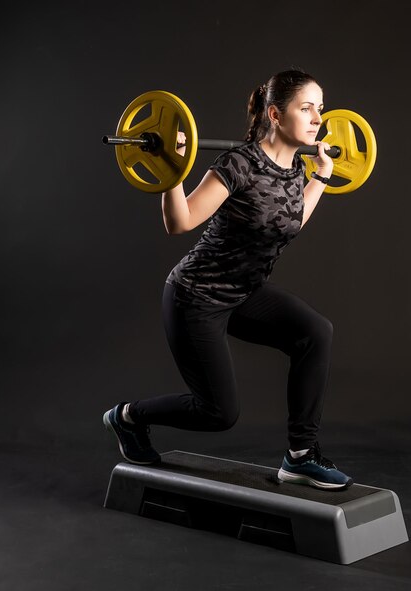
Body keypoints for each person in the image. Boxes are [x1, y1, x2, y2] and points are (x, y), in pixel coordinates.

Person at [104, 69, 353, 490]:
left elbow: (289, 222)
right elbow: (179, 223)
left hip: (243, 293)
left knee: (316, 333)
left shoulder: (296, 169)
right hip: (195, 296)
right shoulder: (237, 164)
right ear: (275, 114)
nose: (317, 119)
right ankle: (127, 417)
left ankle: (300, 456)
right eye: (306, 108)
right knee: (218, 413)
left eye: (321, 109)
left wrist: (322, 177)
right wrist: (172, 168)